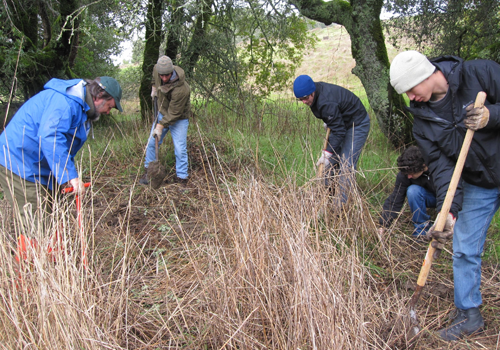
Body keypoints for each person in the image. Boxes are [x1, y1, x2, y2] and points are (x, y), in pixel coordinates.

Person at [390, 50, 500, 341]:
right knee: (464, 248)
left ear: (424, 76)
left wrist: (492, 116)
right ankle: (469, 314)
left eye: (411, 89)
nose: (411, 98)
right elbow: (442, 168)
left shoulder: (480, 74)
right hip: (478, 183)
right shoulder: (423, 122)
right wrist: (447, 212)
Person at [0, 76, 122, 234]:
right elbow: (51, 136)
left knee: (52, 215)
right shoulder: (65, 101)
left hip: (39, 165)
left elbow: (65, 146)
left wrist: (64, 178)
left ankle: (49, 253)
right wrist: (69, 176)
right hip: (19, 161)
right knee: (38, 225)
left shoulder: (82, 109)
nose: (108, 112)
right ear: (99, 96)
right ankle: (28, 257)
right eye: (109, 106)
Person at [293, 75, 370, 203]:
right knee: (330, 164)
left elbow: (339, 131)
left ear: (313, 92)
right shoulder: (314, 94)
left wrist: (327, 152)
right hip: (341, 123)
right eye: (300, 99)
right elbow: (336, 125)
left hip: (357, 123)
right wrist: (331, 120)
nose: (304, 102)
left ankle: (340, 207)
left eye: (305, 98)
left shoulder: (326, 101)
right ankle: (326, 199)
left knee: (346, 165)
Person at [140, 55, 191, 186]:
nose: (163, 78)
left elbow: (174, 113)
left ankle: (182, 178)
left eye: (166, 75)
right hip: (162, 112)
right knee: (152, 143)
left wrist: (160, 125)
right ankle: (149, 172)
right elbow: (154, 77)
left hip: (179, 118)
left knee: (180, 149)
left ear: (172, 71)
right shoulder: (158, 70)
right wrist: (154, 87)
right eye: (161, 75)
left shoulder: (182, 89)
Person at [378, 146, 443, 238]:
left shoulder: (438, 169)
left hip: (445, 199)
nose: (409, 176)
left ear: (423, 166)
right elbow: (396, 199)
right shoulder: (405, 175)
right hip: (429, 198)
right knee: (413, 191)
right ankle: (421, 232)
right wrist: (384, 224)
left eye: (411, 173)